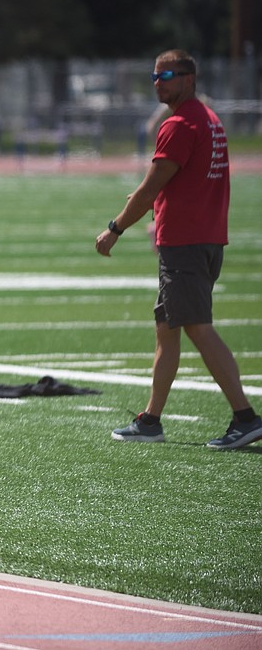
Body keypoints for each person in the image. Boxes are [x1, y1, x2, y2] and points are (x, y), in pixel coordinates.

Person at [97, 49, 260, 450]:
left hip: (185, 244)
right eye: (154, 75)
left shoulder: (181, 124)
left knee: (197, 328)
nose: (158, 82)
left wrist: (115, 228)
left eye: (166, 75)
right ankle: (151, 420)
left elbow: (150, 187)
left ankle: (245, 417)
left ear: (189, 78)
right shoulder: (208, 120)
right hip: (200, 238)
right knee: (166, 331)